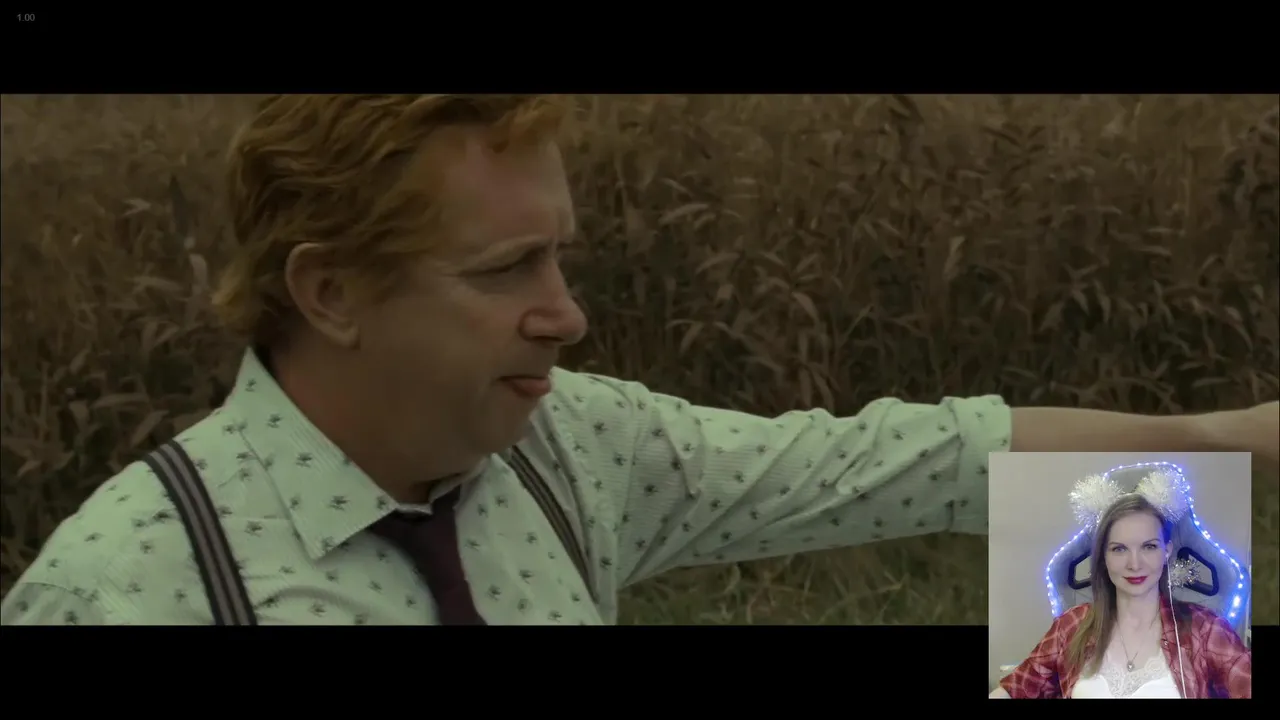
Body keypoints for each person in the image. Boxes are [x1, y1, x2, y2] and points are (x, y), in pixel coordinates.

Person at [2, 94, 1277, 625]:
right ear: (330, 292)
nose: (566, 317)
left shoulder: (571, 444)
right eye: (506, 270)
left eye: (558, 258)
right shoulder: (121, 592)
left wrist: (1228, 438)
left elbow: (911, 461)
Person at [990, 467, 1251, 698]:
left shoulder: (1204, 629)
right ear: (1103, 556)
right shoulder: (1071, 626)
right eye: (1119, 549)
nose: (1134, 564)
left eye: (1149, 547)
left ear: (1167, 551)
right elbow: (1017, 687)